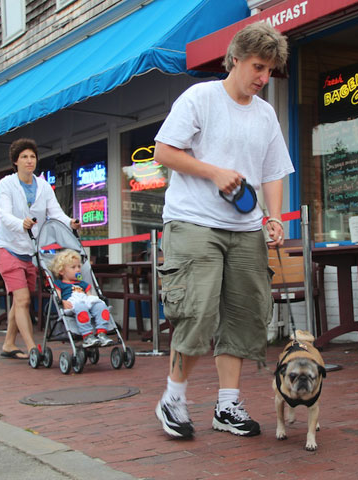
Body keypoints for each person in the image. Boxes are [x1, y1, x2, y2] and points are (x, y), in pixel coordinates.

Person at [153, 22, 294, 439]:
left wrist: (274, 216)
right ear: (235, 59)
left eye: (269, 70)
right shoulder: (200, 97)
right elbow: (164, 151)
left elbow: (272, 171)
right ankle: (173, 398)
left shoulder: (265, 113)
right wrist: (213, 172)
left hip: (246, 227)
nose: (263, 78)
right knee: (197, 310)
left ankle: (227, 405)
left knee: (243, 316)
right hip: (193, 220)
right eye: (257, 66)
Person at [0, 138, 79, 360]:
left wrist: (70, 222)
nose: (29, 160)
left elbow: (56, 212)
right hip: (8, 248)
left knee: (20, 300)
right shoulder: (6, 184)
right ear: (16, 161)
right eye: (24, 157)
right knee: (22, 299)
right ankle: (34, 349)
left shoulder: (43, 186)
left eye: (32, 156)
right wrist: (20, 222)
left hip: (32, 250)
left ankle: (8, 344)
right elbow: (3, 214)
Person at [49, 249, 115, 347]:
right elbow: (57, 297)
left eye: (79, 266)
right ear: (62, 271)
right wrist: (62, 302)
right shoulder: (60, 284)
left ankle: (102, 333)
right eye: (73, 267)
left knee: (100, 305)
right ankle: (87, 336)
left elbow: (89, 296)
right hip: (73, 303)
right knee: (81, 306)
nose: (78, 269)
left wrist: (94, 301)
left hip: (84, 300)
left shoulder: (82, 284)